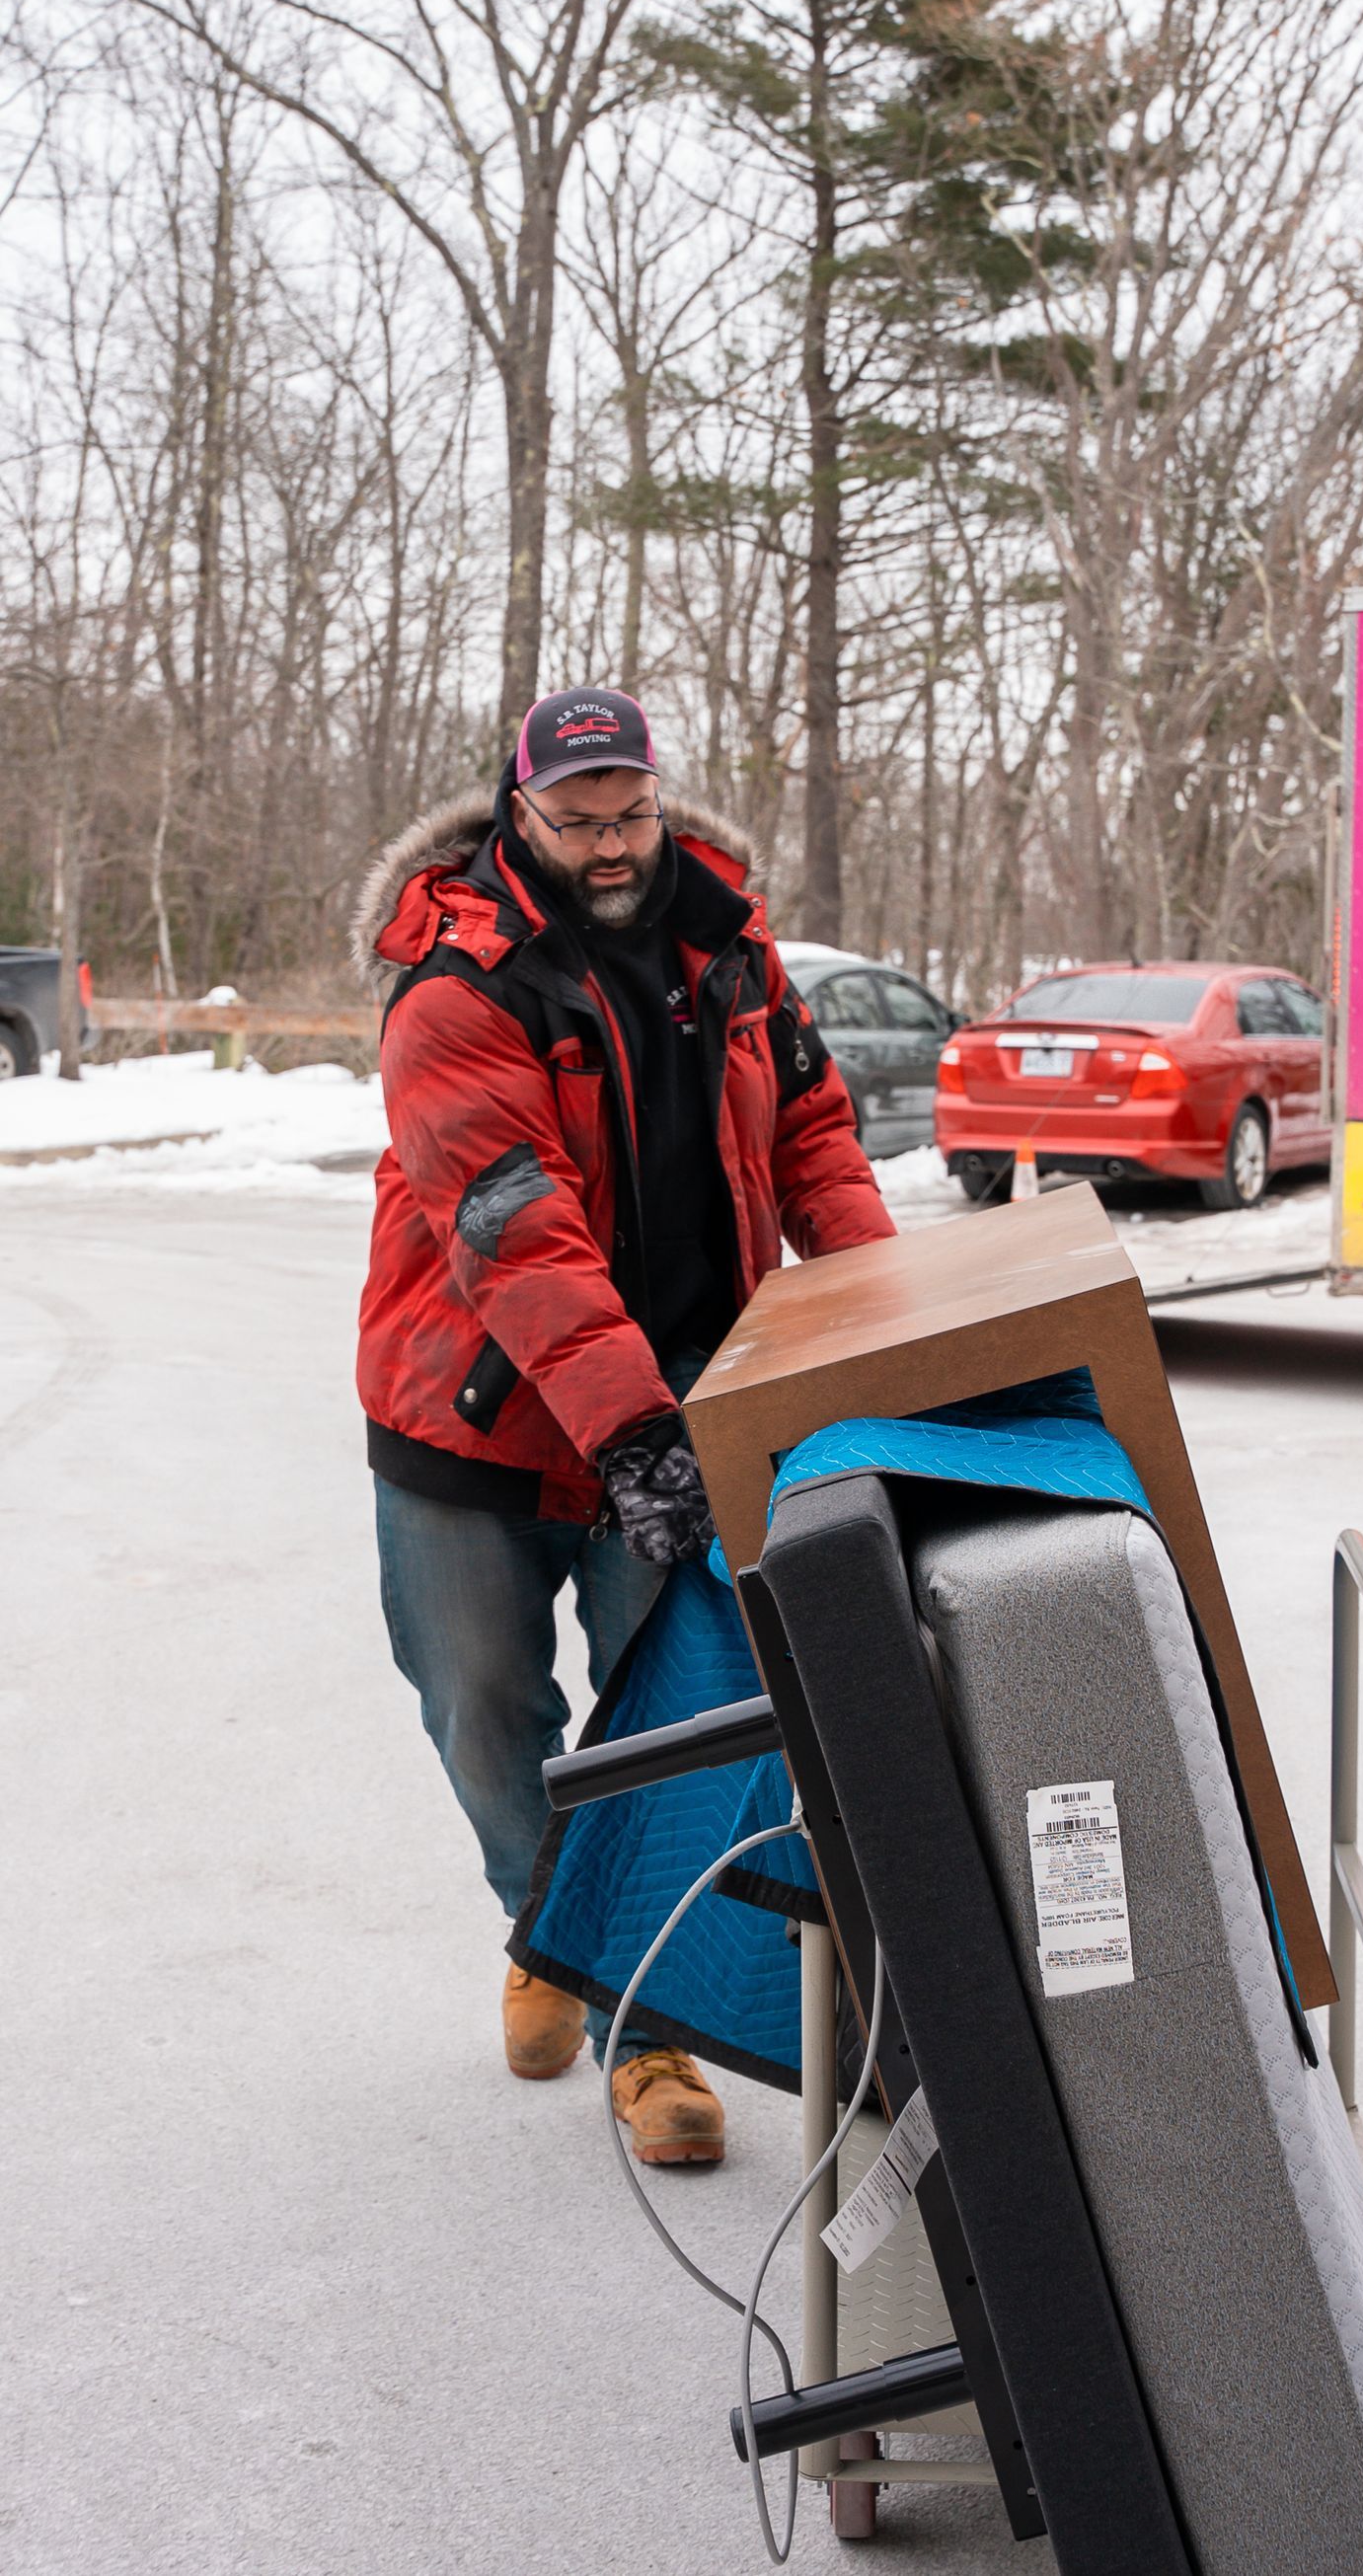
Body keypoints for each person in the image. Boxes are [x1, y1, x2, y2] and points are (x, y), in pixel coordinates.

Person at [351, 685, 895, 2163]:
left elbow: (815, 1140)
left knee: (673, 1724)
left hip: (691, 1393)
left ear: (660, 800)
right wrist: (629, 1431)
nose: (609, 843)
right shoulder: (454, 984)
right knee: (484, 1708)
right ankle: (549, 1923)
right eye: (576, 817)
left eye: (630, 812)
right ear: (517, 810)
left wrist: (885, 1319)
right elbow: (512, 1225)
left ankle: (641, 2026)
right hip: (476, 1419)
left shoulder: (732, 948)